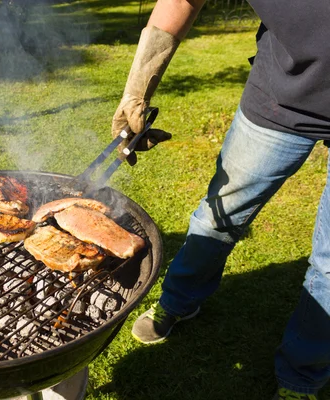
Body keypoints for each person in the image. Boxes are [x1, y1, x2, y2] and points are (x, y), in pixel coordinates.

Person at [111, 0, 330, 399]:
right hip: (281, 98)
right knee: (218, 217)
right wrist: (137, 89)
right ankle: (179, 302)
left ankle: (302, 376)